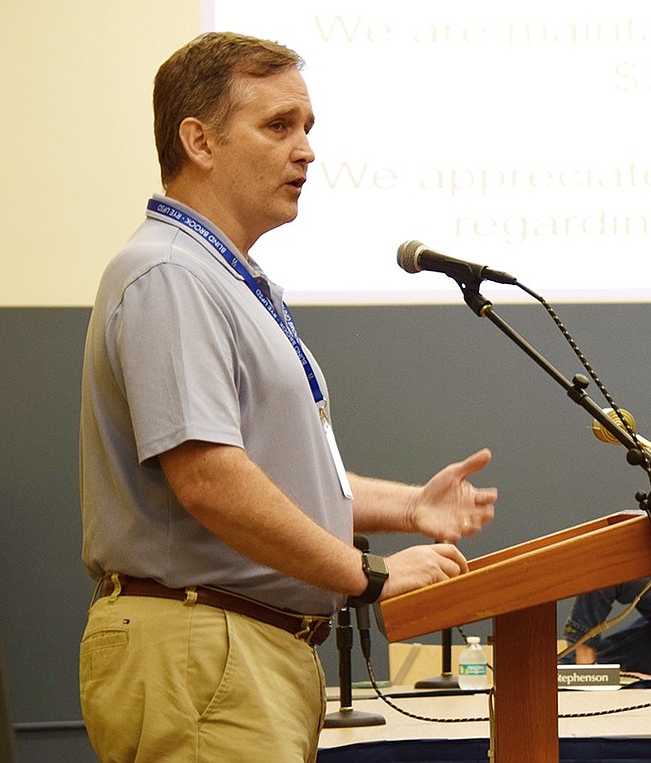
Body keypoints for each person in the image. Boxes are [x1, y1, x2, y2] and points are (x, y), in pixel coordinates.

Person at [78, 32, 497, 762]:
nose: (306, 150)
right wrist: (369, 575)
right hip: (201, 646)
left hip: (238, 649)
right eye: (278, 126)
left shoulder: (233, 277)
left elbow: (263, 472)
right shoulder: (170, 274)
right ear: (199, 140)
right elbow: (210, 477)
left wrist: (407, 509)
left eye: (308, 129)